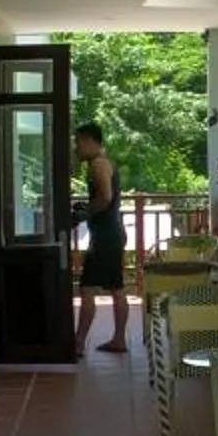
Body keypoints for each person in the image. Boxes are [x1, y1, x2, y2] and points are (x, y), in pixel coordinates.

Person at [73, 122, 128, 354]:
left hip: (105, 236)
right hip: (111, 233)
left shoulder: (98, 164)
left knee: (87, 289)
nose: (76, 148)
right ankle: (119, 340)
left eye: (78, 142)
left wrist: (84, 213)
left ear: (89, 140)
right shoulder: (103, 163)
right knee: (116, 287)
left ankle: (77, 344)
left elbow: (105, 198)